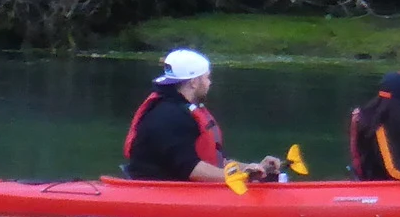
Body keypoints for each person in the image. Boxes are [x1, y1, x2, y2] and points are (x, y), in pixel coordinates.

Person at [121, 49, 287, 184]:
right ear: (193, 82)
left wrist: (255, 168)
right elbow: (192, 169)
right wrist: (242, 178)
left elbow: (216, 163)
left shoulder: (184, 111)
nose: (209, 82)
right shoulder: (169, 117)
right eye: (207, 77)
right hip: (153, 191)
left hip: (179, 188)